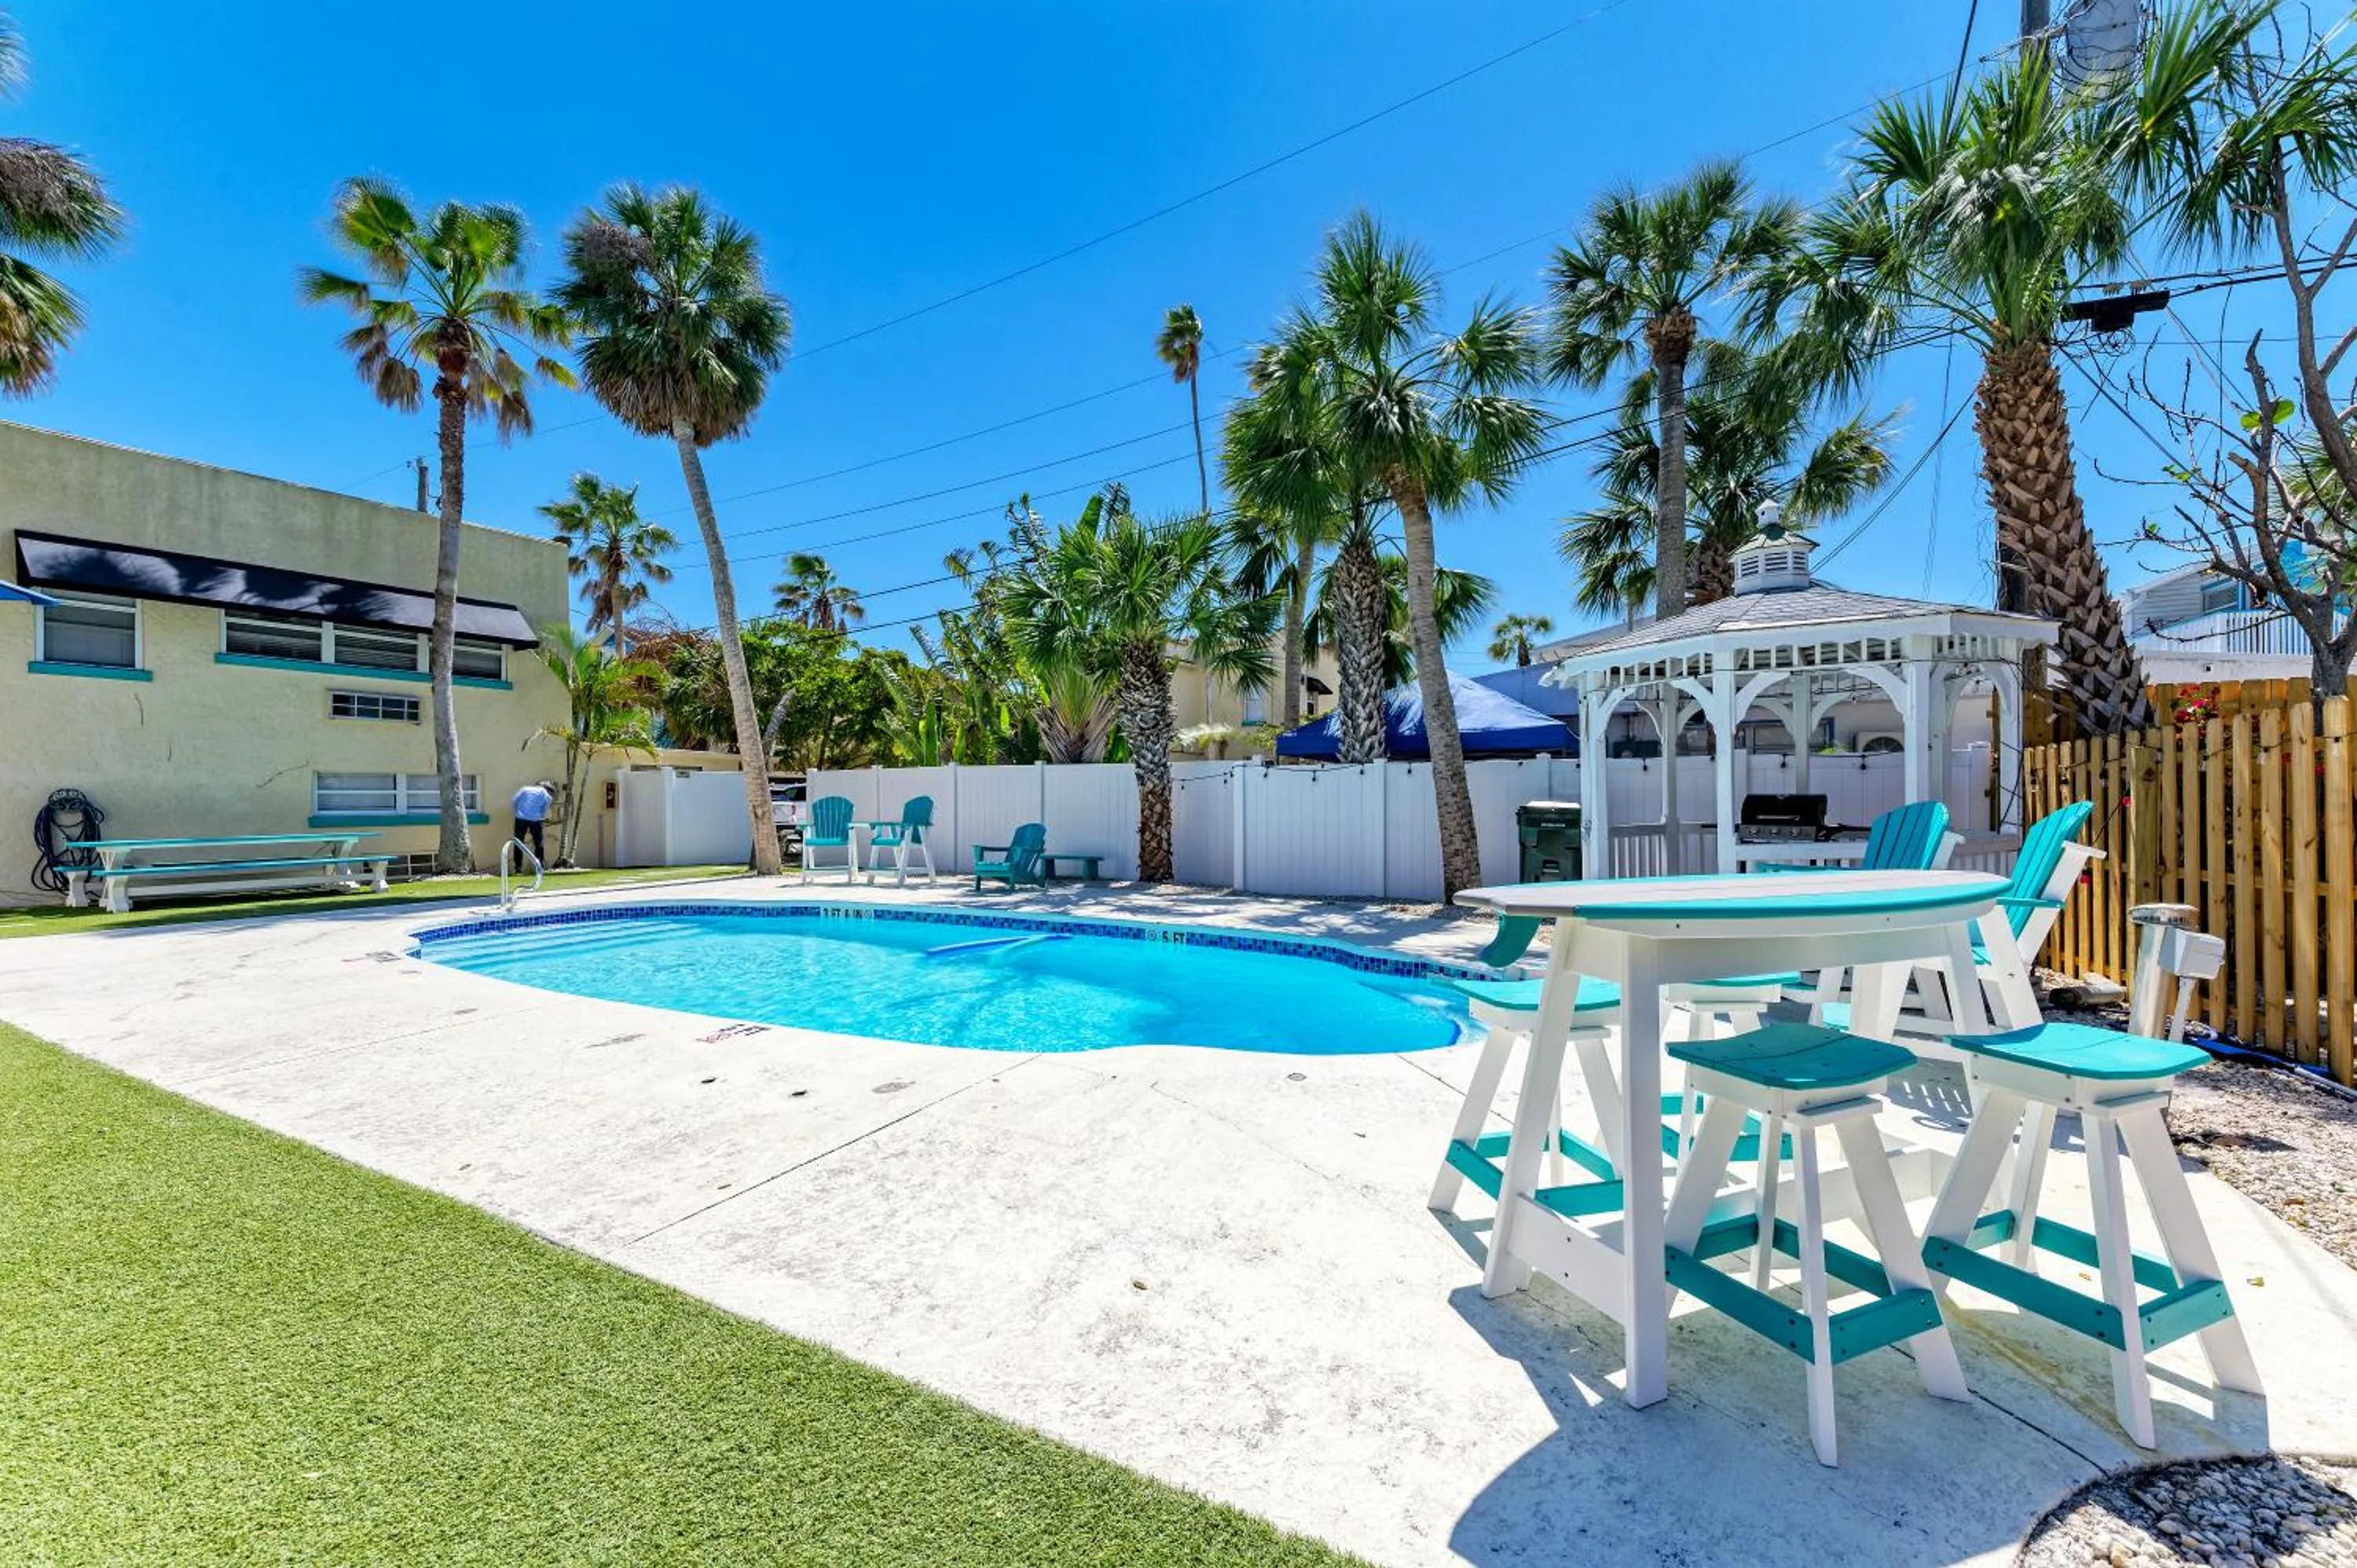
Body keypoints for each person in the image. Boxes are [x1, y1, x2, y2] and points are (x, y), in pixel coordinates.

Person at [511, 779, 555, 864]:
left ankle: (518, 868)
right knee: (538, 843)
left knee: (519, 842)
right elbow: (544, 810)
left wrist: (517, 812)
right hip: (536, 820)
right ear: (546, 788)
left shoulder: (525, 789)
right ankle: (539, 866)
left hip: (520, 818)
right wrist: (540, 817)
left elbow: (514, 800)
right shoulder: (547, 796)